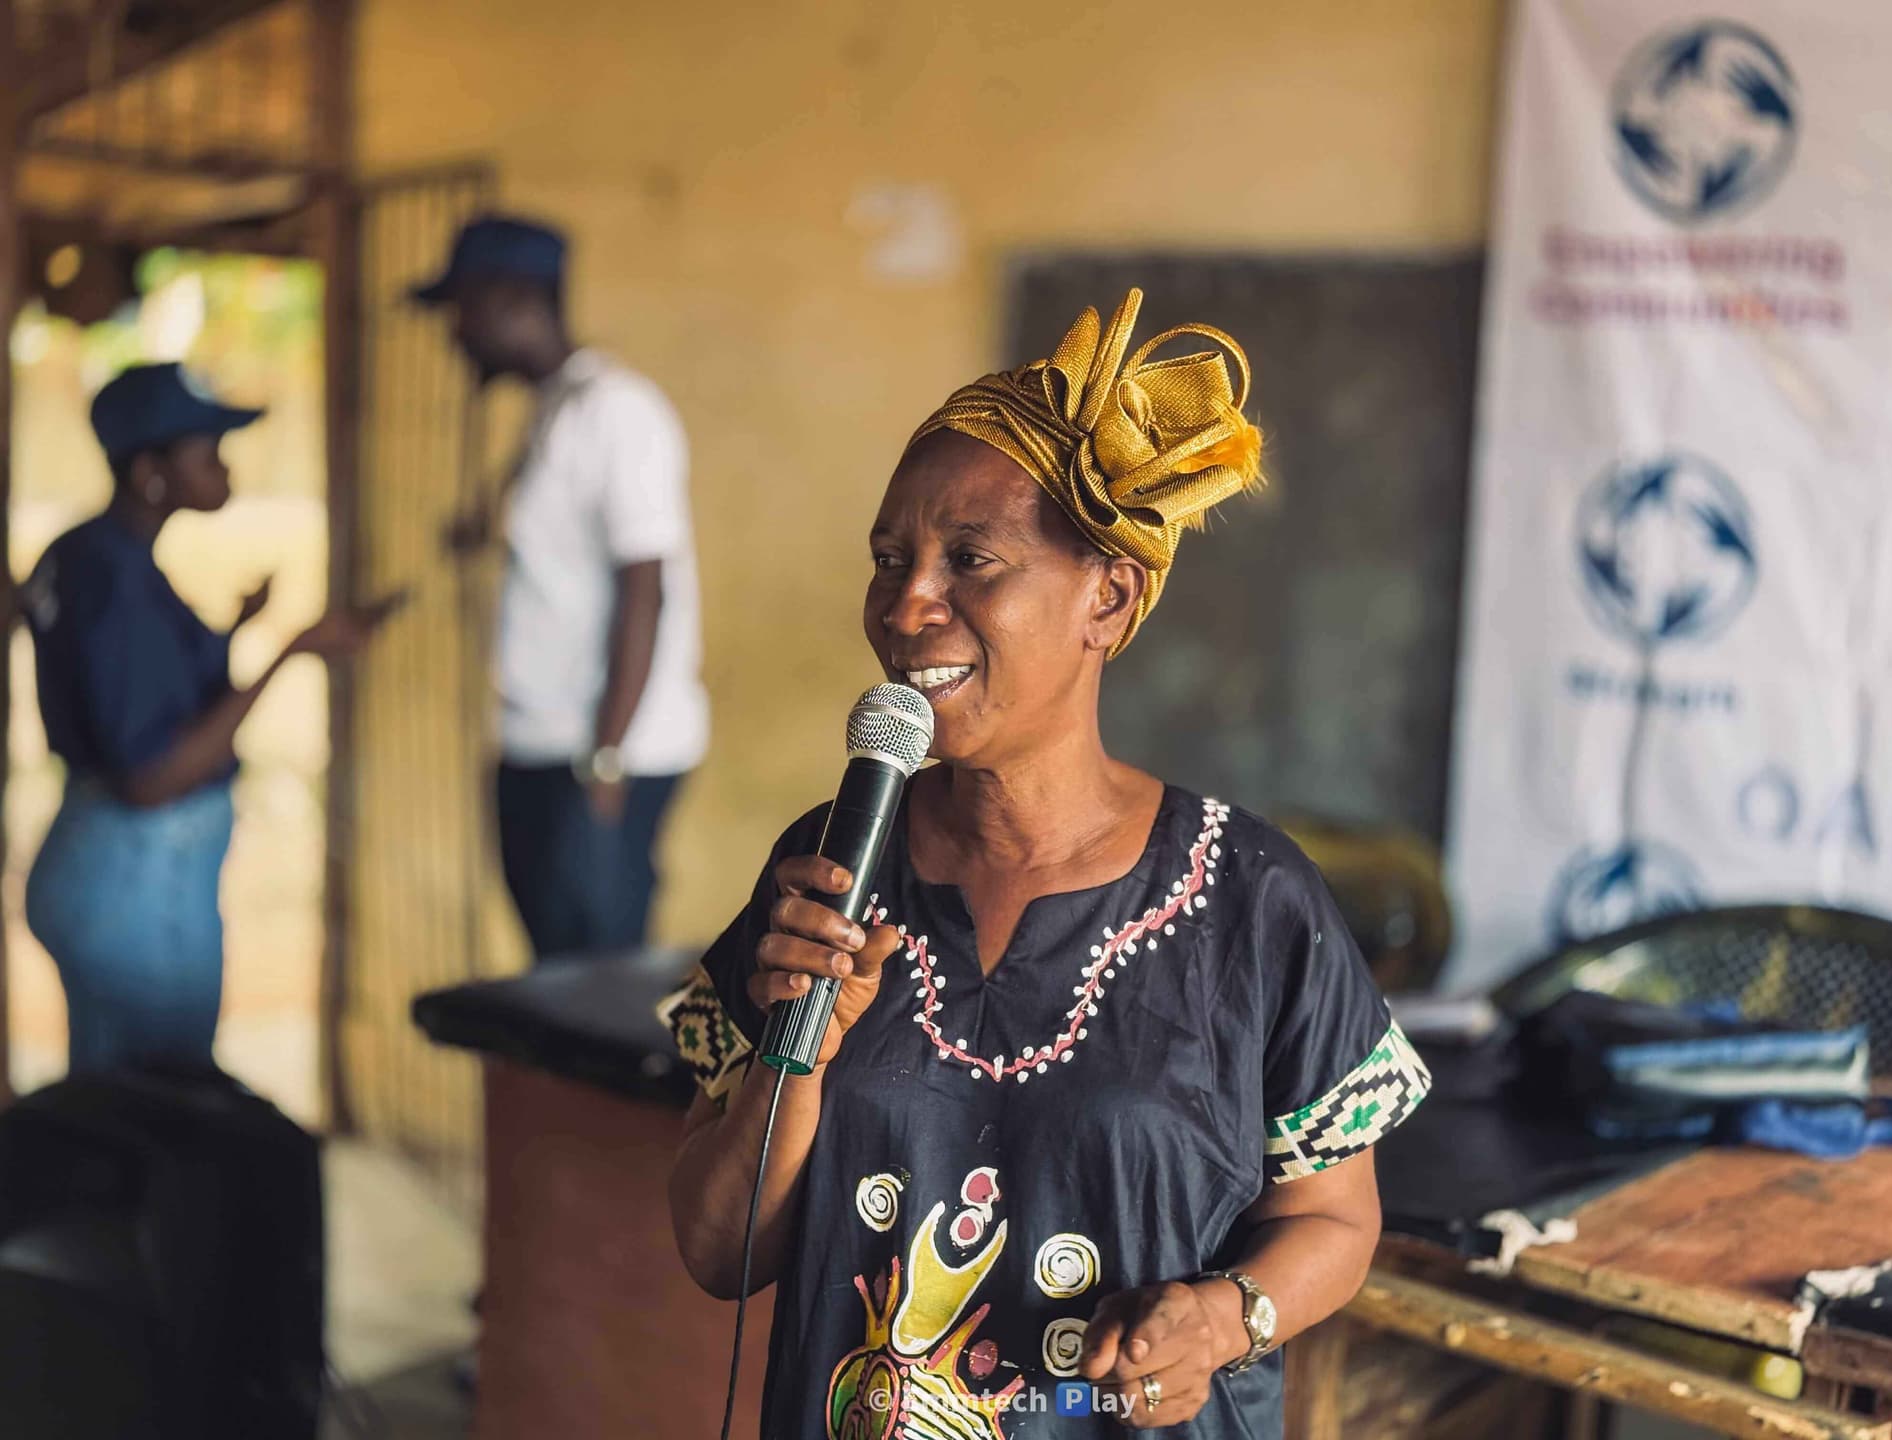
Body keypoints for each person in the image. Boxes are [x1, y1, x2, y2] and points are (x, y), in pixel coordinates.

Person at [662, 290, 1432, 1435]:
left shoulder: (1254, 897)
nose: (907, 603)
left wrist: (1224, 1319)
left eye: (971, 559)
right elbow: (723, 1255)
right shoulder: (828, 865)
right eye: (889, 559)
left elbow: (1336, 1221)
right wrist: (796, 1061)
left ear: (1108, 599)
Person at [20, 363, 399, 1074]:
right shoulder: (115, 581)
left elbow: (138, 686)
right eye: (207, 453)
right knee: (158, 1112)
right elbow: (152, 777)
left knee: (112, 1107)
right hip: (136, 888)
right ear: (149, 471)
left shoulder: (92, 554)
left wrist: (238, 631)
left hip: (105, 871)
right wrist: (291, 653)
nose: (225, 468)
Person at [418, 215, 707, 961]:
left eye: (463, 310)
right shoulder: (559, 408)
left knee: (593, 985)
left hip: (599, 755)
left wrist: (605, 760)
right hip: (544, 743)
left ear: (518, 300)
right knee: (556, 976)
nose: (453, 334)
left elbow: (647, 588)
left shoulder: (616, 410)